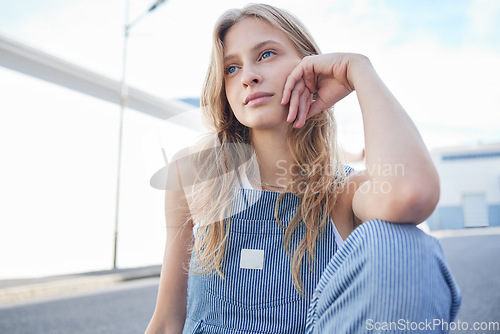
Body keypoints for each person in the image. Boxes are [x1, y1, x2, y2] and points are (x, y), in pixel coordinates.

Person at [145, 3, 461, 334]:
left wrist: (359, 71)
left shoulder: (343, 192)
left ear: (310, 65)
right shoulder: (193, 173)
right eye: (232, 68)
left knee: (405, 243)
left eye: (266, 55)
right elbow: (167, 321)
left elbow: (412, 193)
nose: (249, 76)